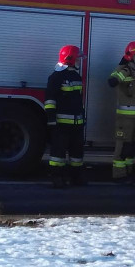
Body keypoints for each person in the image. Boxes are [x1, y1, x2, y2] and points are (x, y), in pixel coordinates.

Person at [107, 41, 135, 182]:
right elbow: (112, 81)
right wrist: (124, 73)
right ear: (129, 56)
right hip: (125, 118)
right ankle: (119, 174)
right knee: (122, 146)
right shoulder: (123, 70)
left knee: (133, 145)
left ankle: (128, 171)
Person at [45, 45, 86, 188]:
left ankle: (76, 177)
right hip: (61, 124)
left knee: (77, 154)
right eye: (78, 58)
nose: (80, 61)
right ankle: (57, 177)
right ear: (70, 59)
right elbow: (50, 99)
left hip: (76, 123)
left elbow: (78, 100)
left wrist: (82, 118)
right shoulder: (56, 77)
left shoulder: (76, 76)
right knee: (58, 154)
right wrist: (51, 119)